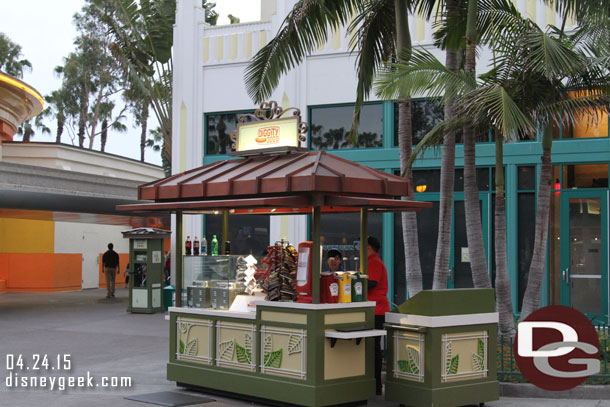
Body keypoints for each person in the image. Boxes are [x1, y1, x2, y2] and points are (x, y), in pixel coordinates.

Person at [366, 236, 389, 396]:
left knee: (374, 348)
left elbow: (371, 282)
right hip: (374, 308)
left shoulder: (373, 261)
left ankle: (375, 385)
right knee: (374, 347)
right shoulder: (372, 261)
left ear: (369, 248)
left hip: (376, 309)